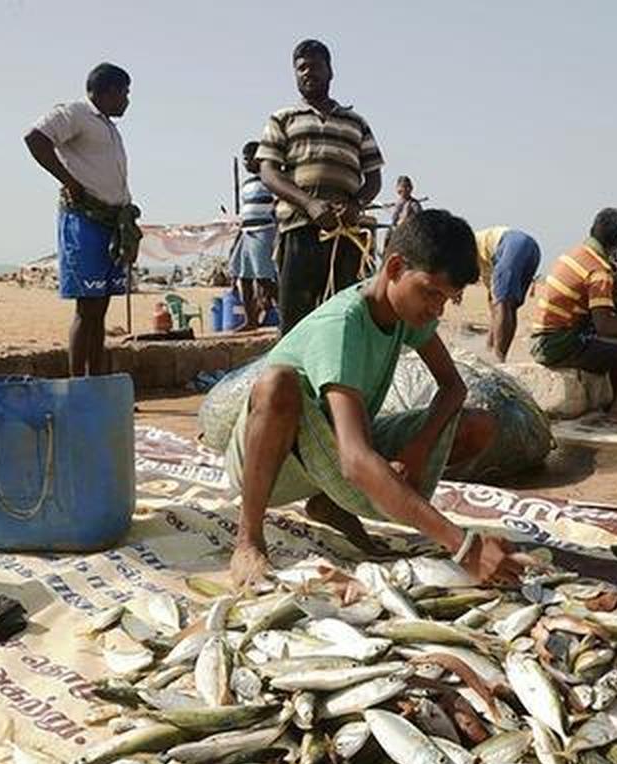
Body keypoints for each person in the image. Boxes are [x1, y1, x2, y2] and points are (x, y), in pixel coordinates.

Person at [224, 210, 531, 588]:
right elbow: (354, 461)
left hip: (330, 452)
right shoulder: (341, 326)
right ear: (396, 267)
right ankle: (248, 538)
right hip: (276, 464)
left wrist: (418, 449)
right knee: (278, 385)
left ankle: (330, 503)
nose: (437, 309)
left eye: (447, 300)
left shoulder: (405, 315)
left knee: (476, 426)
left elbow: (454, 387)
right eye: (431, 293)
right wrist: (463, 546)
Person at [257, 39, 384, 335]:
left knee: (346, 318)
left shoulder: (356, 122)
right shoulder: (282, 118)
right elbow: (269, 173)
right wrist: (310, 204)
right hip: (299, 229)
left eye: (315, 66)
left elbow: (374, 178)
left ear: (330, 71)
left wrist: (356, 205)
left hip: (346, 234)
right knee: (295, 321)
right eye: (301, 68)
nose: (307, 73)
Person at [24, 62, 140, 377]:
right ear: (110, 91)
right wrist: (68, 181)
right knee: (86, 307)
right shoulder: (75, 114)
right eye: (125, 93)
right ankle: (79, 384)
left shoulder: (108, 126)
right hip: (85, 221)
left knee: (100, 309)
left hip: (110, 222)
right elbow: (35, 138)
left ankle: (98, 382)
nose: (127, 100)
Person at [529, 208, 617, 426]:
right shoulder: (598, 271)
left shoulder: (575, 255)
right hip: (557, 344)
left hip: (545, 339)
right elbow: (605, 326)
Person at [229, 141, 279, 329]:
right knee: (243, 276)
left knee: (264, 278)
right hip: (246, 233)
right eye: (244, 160)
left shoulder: (272, 179)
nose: (246, 163)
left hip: (263, 231)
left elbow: (277, 208)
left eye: (249, 159)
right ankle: (251, 320)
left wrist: (277, 235)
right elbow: (245, 213)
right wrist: (237, 239)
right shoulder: (247, 184)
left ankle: (287, 317)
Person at [473, 226, 542, 362]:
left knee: (502, 304)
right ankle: (494, 353)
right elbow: (493, 300)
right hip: (532, 248)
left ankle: (498, 359)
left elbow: (497, 302)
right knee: (509, 306)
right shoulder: (485, 263)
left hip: (510, 244)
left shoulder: (468, 252)